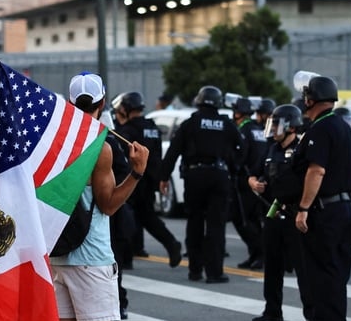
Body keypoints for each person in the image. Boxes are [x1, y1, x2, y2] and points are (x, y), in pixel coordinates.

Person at [44, 72, 148, 321]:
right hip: (90, 253)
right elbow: (108, 204)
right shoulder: (98, 145)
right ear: (103, 103)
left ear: (72, 103)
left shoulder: (54, 142)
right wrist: (136, 173)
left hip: (57, 250)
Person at [292, 73, 351, 321]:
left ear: (311, 99)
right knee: (336, 268)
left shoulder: (320, 128)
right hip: (344, 207)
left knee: (321, 269)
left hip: (325, 209)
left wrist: (304, 206)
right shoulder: (342, 126)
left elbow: (316, 171)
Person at [160, 85, 244, 283]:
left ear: (198, 101)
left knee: (195, 223)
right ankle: (214, 273)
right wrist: (233, 169)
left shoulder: (191, 123)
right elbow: (240, 149)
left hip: (195, 176)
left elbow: (173, 151)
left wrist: (163, 177)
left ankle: (195, 270)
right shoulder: (226, 124)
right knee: (216, 226)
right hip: (219, 176)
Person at [249, 104, 305, 321]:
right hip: (273, 212)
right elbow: (253, 174)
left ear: (291, 127)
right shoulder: (271, 149)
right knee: (272, 265)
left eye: (278, 124)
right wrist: (254, 182)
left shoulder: (302, 149)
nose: (273, 129)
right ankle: (272, 310)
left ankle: (311, 313)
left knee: (302, 267)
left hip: (295, 214)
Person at [113, 91, 181, 268]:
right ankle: (167, 244)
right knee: (146, 216)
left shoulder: (127, 130)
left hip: (134, 179)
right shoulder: (151, 126)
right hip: (150, 178)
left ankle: (127, 258)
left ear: (126, 109)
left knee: (129, 216)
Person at [229, 96, 266, 270]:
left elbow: (240, 156)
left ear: (238, 113)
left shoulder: (242, 131)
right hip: (258, 179)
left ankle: (260, 253)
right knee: (254, 219)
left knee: (242, 220)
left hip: (245, 181)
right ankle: (255, 254)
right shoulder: (258, 129)